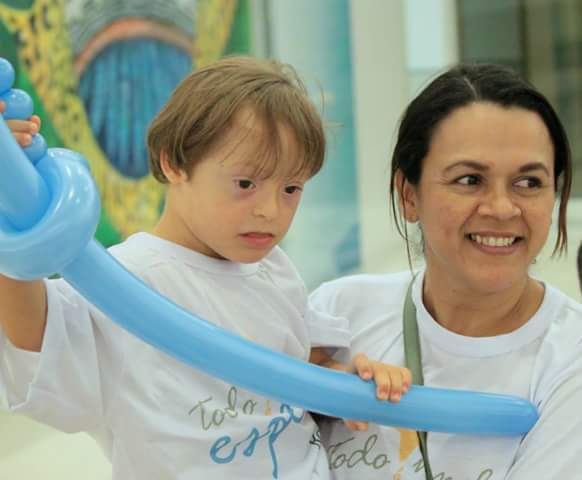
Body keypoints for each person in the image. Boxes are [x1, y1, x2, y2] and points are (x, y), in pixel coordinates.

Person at [0, 57, 410, 480]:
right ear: (173, 163)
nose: (270, 210)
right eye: (246, 184)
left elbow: (306, 364)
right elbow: (35, 335)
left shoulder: (275, 270)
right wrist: (13, 209)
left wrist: (356, 380)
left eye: (291, 188)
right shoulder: (123, 279)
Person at [310, 63, 582, 479]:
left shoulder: (571, 358)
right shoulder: (338, 317)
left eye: (528, 183)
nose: (502, 208)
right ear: (409, 195)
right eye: (470, 179)